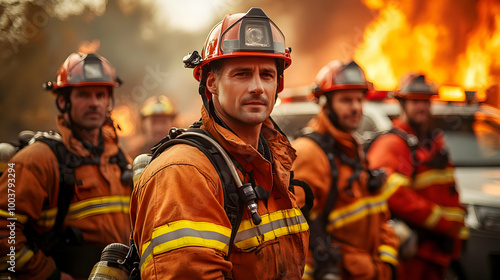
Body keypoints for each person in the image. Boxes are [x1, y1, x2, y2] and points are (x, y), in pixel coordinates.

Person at [130, 7, 309, 279]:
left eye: (267, 75)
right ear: (211, 82)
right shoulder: (184, 172)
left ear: (279, 85)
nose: (257, 87)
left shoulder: (273, 160)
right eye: (242, 74)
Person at [0, 52, 132, 280]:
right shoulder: (36, 161)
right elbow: (3, 232)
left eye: (101, 94)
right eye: (84, 95)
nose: (94, 103)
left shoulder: (120, 159)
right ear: (63, 101)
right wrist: (49, 275)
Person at [292, 60, 399, 280]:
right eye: (346, 100)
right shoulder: (308, 153)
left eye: (360, 99)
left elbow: (379, 213)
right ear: (325, 104)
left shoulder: (352, 148)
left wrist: (388, 261)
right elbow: (296, 231)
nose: (356, 107)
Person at [366, 74, 468, 280]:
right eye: (415, 101)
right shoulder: (392, 144)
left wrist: (460, 232)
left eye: (425, 101)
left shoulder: (431, 145)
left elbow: (450, 192)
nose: (421, 107)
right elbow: (393, 192)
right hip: (413, 254)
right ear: (402, 104)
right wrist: (443, 224)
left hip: (437, 251)